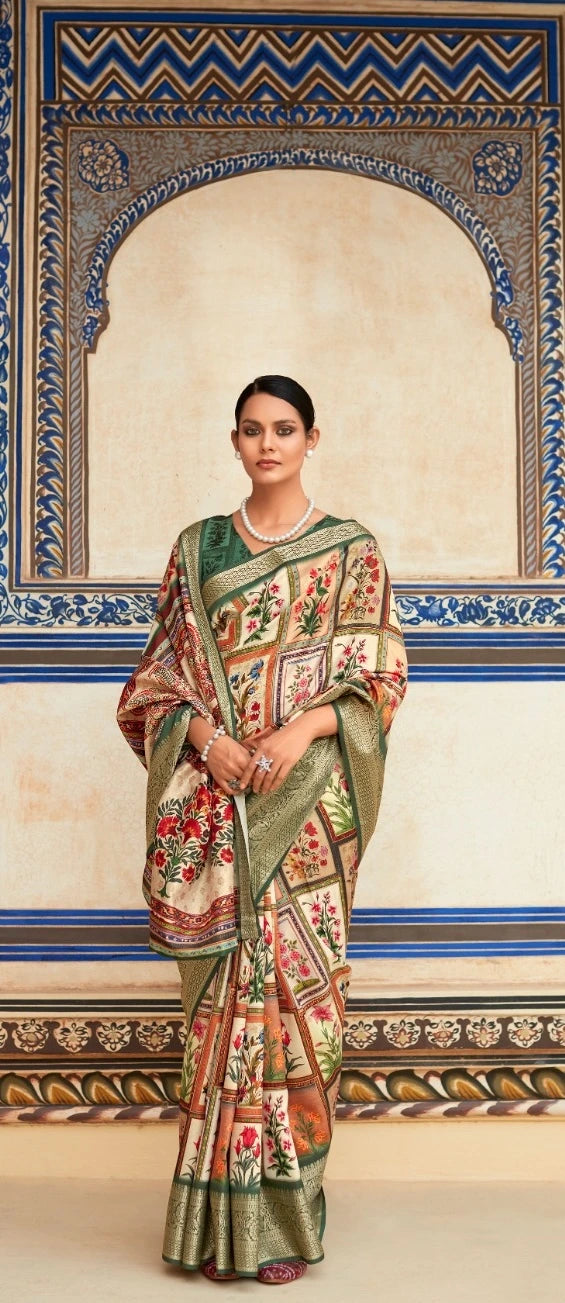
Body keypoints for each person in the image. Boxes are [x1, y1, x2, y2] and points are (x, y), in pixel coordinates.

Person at [116, 374, 408, 1284]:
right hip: (218, 808)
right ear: (233, 441)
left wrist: (295, 730)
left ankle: (282, 1224)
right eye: (252, 430)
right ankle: (214, 1227)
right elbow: (155, 684)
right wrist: (208, 741)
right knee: (217, 1022)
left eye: (284, 429)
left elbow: (378, 680)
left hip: (308, 811)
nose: (267, 444)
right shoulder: (197, 549)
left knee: (302, 1014)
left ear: (311, 438)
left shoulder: (350, 551)